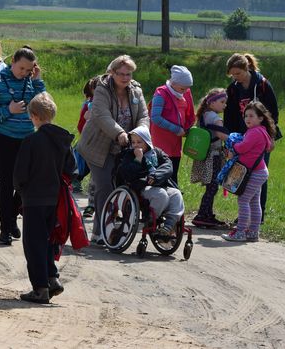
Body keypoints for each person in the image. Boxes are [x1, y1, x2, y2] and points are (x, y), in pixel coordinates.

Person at [75, 55, 149, 246]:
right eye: (121, 74)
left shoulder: (135, 91)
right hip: (98, 147)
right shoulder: (102, 89)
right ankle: (99, 232)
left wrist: (138, 134)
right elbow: (101, 115)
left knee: (121, 186)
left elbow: (143, 116)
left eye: (129, 74)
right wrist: (119, 133)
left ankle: (115, 228)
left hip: (124, 147)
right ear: (112, 72)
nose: (125, 78)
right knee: (105, 186)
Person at [0, 46, 45, 246]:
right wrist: (8, 109)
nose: (24, 73)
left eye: (28, 70)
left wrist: (37, 80)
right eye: (21, 68)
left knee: (25, 183)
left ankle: (12, 215)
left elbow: (44, 105)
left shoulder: (30, 82)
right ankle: (5, 228)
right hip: (4, 138)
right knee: (6, 184)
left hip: (27, 138)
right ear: (13, 62)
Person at [13, 92, 74, 304]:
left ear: (35, 116)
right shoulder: (64, 140)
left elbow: (20, 174)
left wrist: (19, 191)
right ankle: (51, 278)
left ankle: (40, 288)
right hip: (55, 198)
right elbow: (72, 169)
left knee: (33, 244)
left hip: (34, 199)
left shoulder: (31, 141)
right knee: (48, 240)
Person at [224, 53, 280, 223]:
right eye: (232, 74)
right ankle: (245, 215)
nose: (235, 77)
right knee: (242, 176)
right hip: (242, 139)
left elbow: (273, 114)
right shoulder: (233, 89)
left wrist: (267, 136)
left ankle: (258, 216)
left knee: (258, 175)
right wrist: (231, 140)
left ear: (246, 68)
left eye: (238, 73)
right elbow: (230, 116)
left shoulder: (262, 85)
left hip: (261, 139)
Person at [222, 101, 276, 242]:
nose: (247, 119)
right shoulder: (262, 131)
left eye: (251, 116)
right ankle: (253, 232)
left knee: (243, 200)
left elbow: (242, 148)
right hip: (259, 171)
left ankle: (240, 232)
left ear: (260, 118)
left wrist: (232, 143)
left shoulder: (254, 132)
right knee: (254, 202)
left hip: (255, 172)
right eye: (246, 116)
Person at [117, 126, 185, 237]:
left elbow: (168, 165)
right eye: (133, 142)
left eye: (139, 142)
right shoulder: (129, 155)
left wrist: (155, 176)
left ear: (147, 141)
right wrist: (138, 159)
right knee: (161, 195)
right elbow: (127, 174)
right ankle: (151, 218)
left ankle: (169, 224)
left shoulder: (157, 152)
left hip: (160, 183)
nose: (136, 145)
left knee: (176, 194)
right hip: (142, 186)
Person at [150, 65, 196, 186]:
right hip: (161, 143)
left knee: (173, 172)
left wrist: (186, 128)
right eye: (183, 88)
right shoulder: (161, 94)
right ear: (173, 83)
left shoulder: (182, 93)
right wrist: (175, 128)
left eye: (187, 89)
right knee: (162, 173)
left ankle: (174, 199)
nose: (185, 92)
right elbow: (155, 118)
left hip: (175, 142)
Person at [190, 88, 230, 228]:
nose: (225, 105)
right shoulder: (215, 117)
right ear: (212, 103)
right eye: (222, 102)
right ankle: (202, 215)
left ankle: (207, 215)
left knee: (210, 186)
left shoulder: (204, 115)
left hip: (205, 155)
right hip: (214, 156)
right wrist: (235, 141)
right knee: (212, 187)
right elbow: (221, 135)